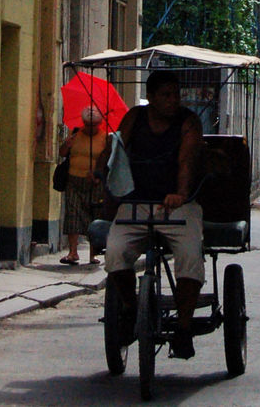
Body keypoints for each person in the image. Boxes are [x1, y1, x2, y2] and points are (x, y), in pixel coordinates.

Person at [101, 70, 204, 360]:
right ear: (151, 97)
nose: (173, 100)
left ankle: (183, 328)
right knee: (115, 253)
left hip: (178, 205)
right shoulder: (135, 117)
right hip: (136, 202)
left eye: (176, 94)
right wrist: (103, 168)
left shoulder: (188, 122)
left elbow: (186, 160)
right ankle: (131, 308)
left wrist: (180, 193)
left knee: (190, 257)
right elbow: (117, 149)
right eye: (166, 95)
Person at [58, 105, 104, 264]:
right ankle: (73, 252)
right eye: (88, 124)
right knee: (73, 215)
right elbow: (62, 153)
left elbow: (108, 161)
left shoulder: (105, 138)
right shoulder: (75, 134)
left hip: (95, 183)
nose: (90, 128)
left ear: (99, 124)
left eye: (94, 125)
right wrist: (67, 144)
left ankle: (93, 254)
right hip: (73, 180)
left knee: (94, 216)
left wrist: (98, 175)